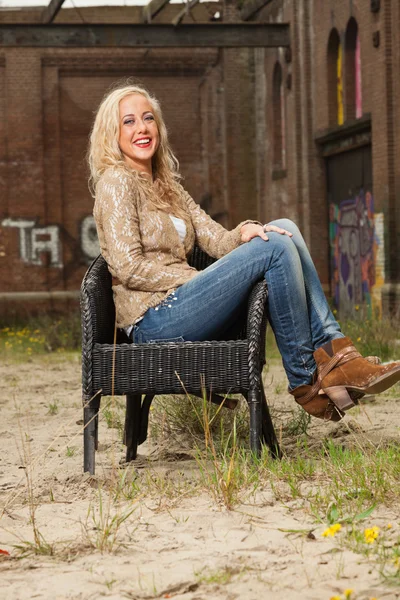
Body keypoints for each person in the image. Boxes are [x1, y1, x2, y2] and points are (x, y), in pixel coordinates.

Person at [88, 83, 400, 423]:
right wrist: (197, 278)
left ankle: (339, 355)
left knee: (284, 228)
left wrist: (245, 231)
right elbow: (128, 267)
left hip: (184, 302)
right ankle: (306, 377)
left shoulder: (168, 186)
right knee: (277, 248)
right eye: (129, 122)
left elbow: (216, 240)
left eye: (147, 118)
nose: (142, 128)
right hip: (155, 319)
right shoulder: (116, 183)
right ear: (112, 133)